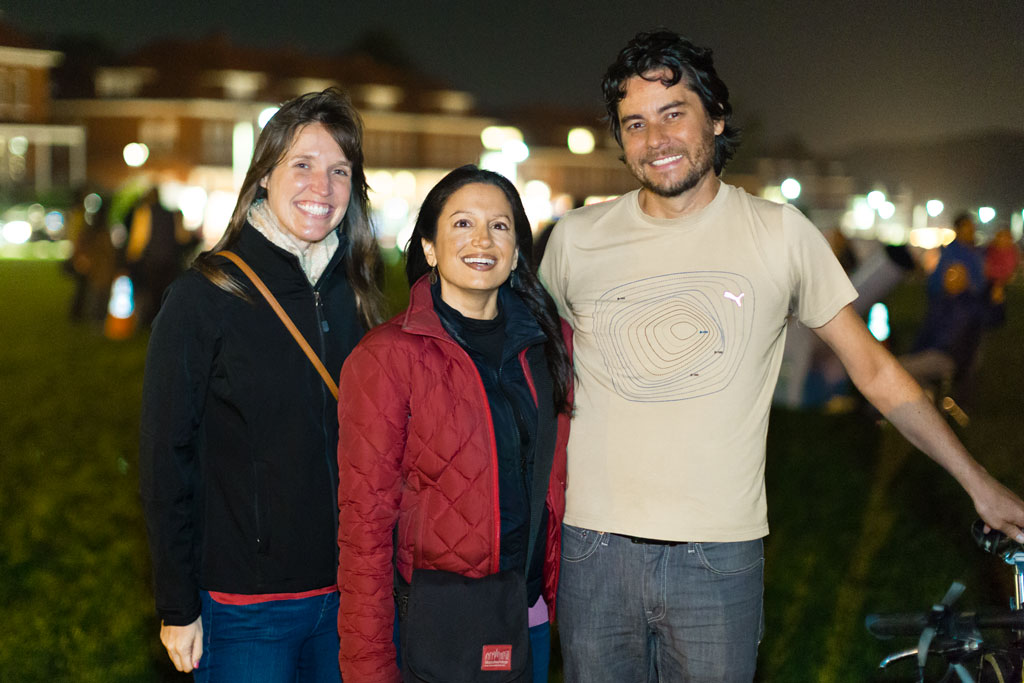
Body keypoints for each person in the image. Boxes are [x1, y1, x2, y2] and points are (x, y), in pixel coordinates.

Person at [538, 30, 1024, 682]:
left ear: (715, 117)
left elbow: (876, 371)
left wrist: (978, 482)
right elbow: (524, 374)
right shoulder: (574, 241)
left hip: (718, 556)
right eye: (635, 123)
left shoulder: (780, 233)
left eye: (673, 113)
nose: (655, 138)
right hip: (593, 549)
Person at [139, 88, 385, 681]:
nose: (320, 188)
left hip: (352, 599)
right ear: (264, 175)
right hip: (246, 608)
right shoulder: (205, 296)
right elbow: (163, 460)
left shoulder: (357, 295)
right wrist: (178, 605)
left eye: (339, 171)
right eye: (301, 164)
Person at [336, 165, 573, 682]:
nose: (482, 240)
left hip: (526, 617)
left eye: (500, 226)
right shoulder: (387, 357)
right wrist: (369, 665)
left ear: (516, 250)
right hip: (429, 629)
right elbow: (364, 528)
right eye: (462, 224)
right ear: (428, 247)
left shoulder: (550, 348)